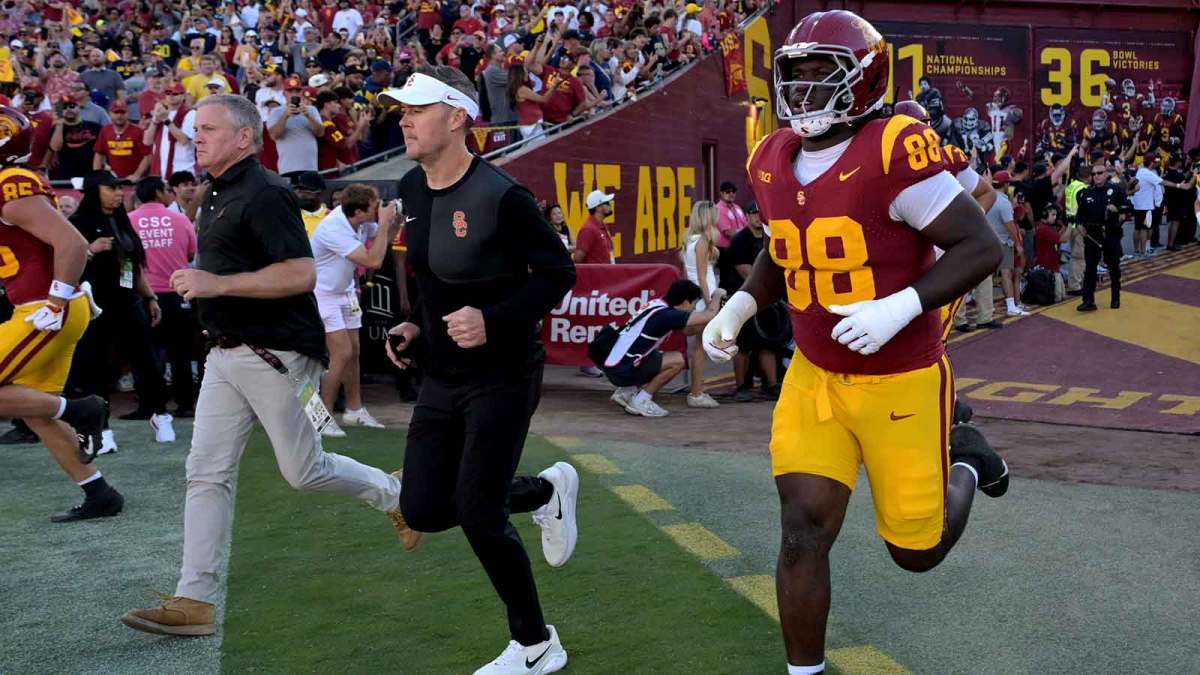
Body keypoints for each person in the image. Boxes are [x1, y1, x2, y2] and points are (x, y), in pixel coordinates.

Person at [701, 12, 1009, 675]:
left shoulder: (895, 148)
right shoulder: (771, 157)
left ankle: (968, 462)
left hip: (899, 373)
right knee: (801, 528)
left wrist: (899, 306)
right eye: (797, 76)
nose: (806, 92)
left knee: (916, 550)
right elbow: (784, 249)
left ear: (863, 80)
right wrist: (742, 302)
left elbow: (983, 245)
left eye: (823, 75)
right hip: (816, 373)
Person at [121, 94, 414, 638]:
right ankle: (196, 599)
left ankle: (395, 495)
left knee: (304, 472)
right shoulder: (214, 194)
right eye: (194, 128)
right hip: (226, 352)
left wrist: (216, 284)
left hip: (271, 352)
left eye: (208, 128)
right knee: (204, 472)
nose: (197, 136)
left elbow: (301, 273)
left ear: (244, 138)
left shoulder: (267, 192)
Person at [380, 67, 577, 675]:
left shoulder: (502, 195)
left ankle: (536, 644)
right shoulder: (410, 189)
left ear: (458, 116)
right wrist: (417, 326)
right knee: (424, 506)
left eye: (416, 109)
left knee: (480, 512)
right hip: (443, 372)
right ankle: (546, 491)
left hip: (505, 372)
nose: (405, 120)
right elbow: (433, 277)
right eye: (401, 111)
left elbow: (557, 275)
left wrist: (495, 319)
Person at [0, 106, 115, 521]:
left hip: (45, 309)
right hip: (47, 306)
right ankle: (100, 493)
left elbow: (72, 244)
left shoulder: (9, 183)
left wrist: (56, 300)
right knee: (37, 411)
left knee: (50, 409)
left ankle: (79, 409)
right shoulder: (11, 183)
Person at [67, 171, 174, 448]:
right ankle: (101, 430)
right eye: (112, 188)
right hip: (93, 306)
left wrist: (150, 297)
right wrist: (90, 250)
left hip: (128, 302)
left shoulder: (122, 221)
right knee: (97, 369)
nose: (119, 193)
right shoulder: (76, 224)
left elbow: (133, 267)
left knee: (148, 362)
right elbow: (62, 266)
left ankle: (160, 414)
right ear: (94, 190)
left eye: (120, 188)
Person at [309, 183, 398, 437]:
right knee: (342, 353)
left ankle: (354, 410)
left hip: (346, 292)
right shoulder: (334, 228)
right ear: (359, 211)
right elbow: (374, 260)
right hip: (323, 295)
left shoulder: (357, 220)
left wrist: (395, 222)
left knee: (355, 352)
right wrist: (383, 225)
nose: (378, 208)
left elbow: (384, 241)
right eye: (374, 206)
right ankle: (322, 417)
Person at [128, 176, 200, 417]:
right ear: (160, 192)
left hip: (144, 295)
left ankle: (150, 405)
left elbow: (125, 260)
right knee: (181, 352)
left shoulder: (129, 221)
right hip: (179, 293)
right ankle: (186, 405)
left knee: (144, 353)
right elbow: (191, 253)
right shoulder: (180, 220)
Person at [603, 279, 720, 417]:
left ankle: (626, 392)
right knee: (677, 361)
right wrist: (718, 295)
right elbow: (709, 315)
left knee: (657, 355)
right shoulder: (668, 315)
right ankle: (641, 400)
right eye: (693, 305)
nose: (693, 309)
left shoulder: (659, 305)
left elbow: (688, 331)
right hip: (622, 370)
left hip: (616, 365)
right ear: (685, 302)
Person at [680, 200, 722, 408]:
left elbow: (689, 273)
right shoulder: (703, 241)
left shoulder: (690, 240)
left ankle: (696, 390)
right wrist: (710, 303)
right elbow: (703, 277)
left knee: (697, 347)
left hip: (695, 296)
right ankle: (696, 393)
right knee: (698, 348)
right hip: (703, 298)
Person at [1077, 161, 1126, 311]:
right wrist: (1079, 225)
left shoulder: (1116, 190)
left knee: (1113, 267)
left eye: (1099, 173)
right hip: (1092, 234)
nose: (1096, 176)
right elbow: (1080, 215)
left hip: (1111, 232)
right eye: (1093, 174)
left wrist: (1117, 209)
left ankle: (1115, 298)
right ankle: (1088, 301)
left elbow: (1127, 207)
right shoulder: (1087, 192)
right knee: (1090, 268)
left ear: (1106, 174)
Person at [144, 83, 197, 179]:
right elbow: (147, 142)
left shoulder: (190, 113)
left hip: (182, 170)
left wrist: (166, 120)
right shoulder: (160, 112)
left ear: (183, 96)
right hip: (159, 171)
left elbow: (184, 140)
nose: (171, 96)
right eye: (168, 93)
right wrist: (155, 120)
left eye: (175, 93)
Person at [574, 189, 615, 264]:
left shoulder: (602, 226)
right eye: (606, 203)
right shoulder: (588, 229)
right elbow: (577, 259)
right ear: (598, 207)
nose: (610, 205)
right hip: (596, 275)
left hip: (607, 274)